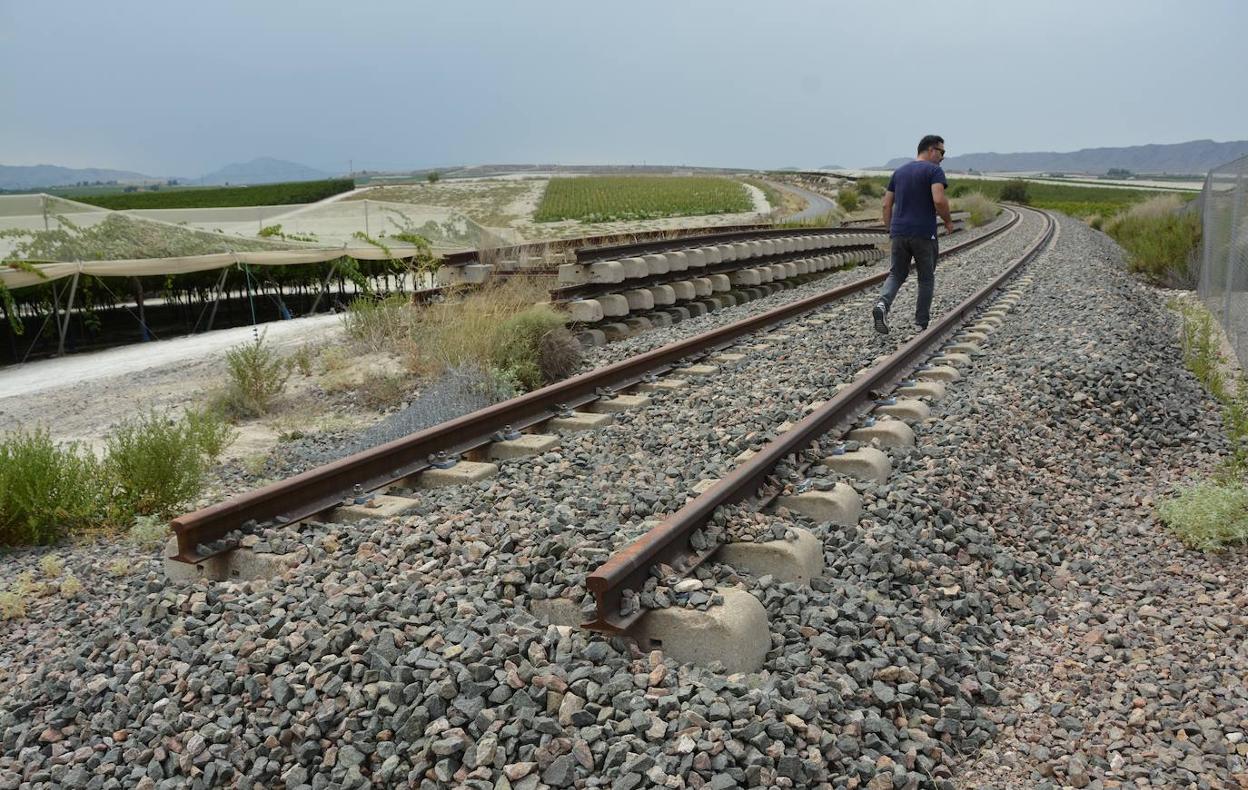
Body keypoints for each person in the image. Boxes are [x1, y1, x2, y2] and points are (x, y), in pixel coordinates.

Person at [872, 134, 955, 334]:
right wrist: (948, 221)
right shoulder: (934, 171)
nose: (943, 157)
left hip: (899, 233)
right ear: (931, 150)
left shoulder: (899, 172)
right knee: (926, 278)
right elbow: (939, 200)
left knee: (897, 273)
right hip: (924, 233)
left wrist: (890, 228)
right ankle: (921, 324)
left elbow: (886, 204)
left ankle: (883, 304)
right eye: (941, 152)